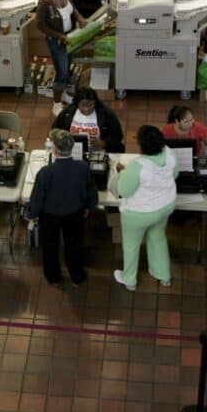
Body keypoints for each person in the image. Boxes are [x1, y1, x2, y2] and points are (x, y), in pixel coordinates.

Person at [26, 129, 98, 287]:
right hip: (75, 214)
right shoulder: (83, 167)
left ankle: (53, 278)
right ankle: (76, 276)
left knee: (50, 247)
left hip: (50, 217)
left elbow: (37, 198)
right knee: (74, 245)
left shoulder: (45, 173)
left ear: (55, 150)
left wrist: (31, 214)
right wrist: (89, 207)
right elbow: (91, 190)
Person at [111, 125, 178, 292]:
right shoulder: (170, 153)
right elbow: (174, 174)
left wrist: (120, 173)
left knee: (131, 245)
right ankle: (163, 275)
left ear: (142, 146)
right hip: (165, 207)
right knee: (158, 237)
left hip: (138, 214)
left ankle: (130, 280)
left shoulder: (138, 165)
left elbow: (124, 190)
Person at [36, 0, 87, 117]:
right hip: (57, 41)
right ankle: (56, 104)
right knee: (62, 72)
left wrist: (79, 17)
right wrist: (60, 36)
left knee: (67, 69)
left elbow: (72, 8)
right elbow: (40, 25)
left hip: (70, 38)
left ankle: (64, 94)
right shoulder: (45, 1)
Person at [52, 86, 125, 152]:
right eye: (83, 105)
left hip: (99, 152)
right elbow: (55, 130)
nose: (86, 109)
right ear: (77, 103)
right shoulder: (67, 113)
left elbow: (117, 136)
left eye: (90, 105)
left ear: (95, 103)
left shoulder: (106, 114)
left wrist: (104, 143)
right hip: (72, 151)